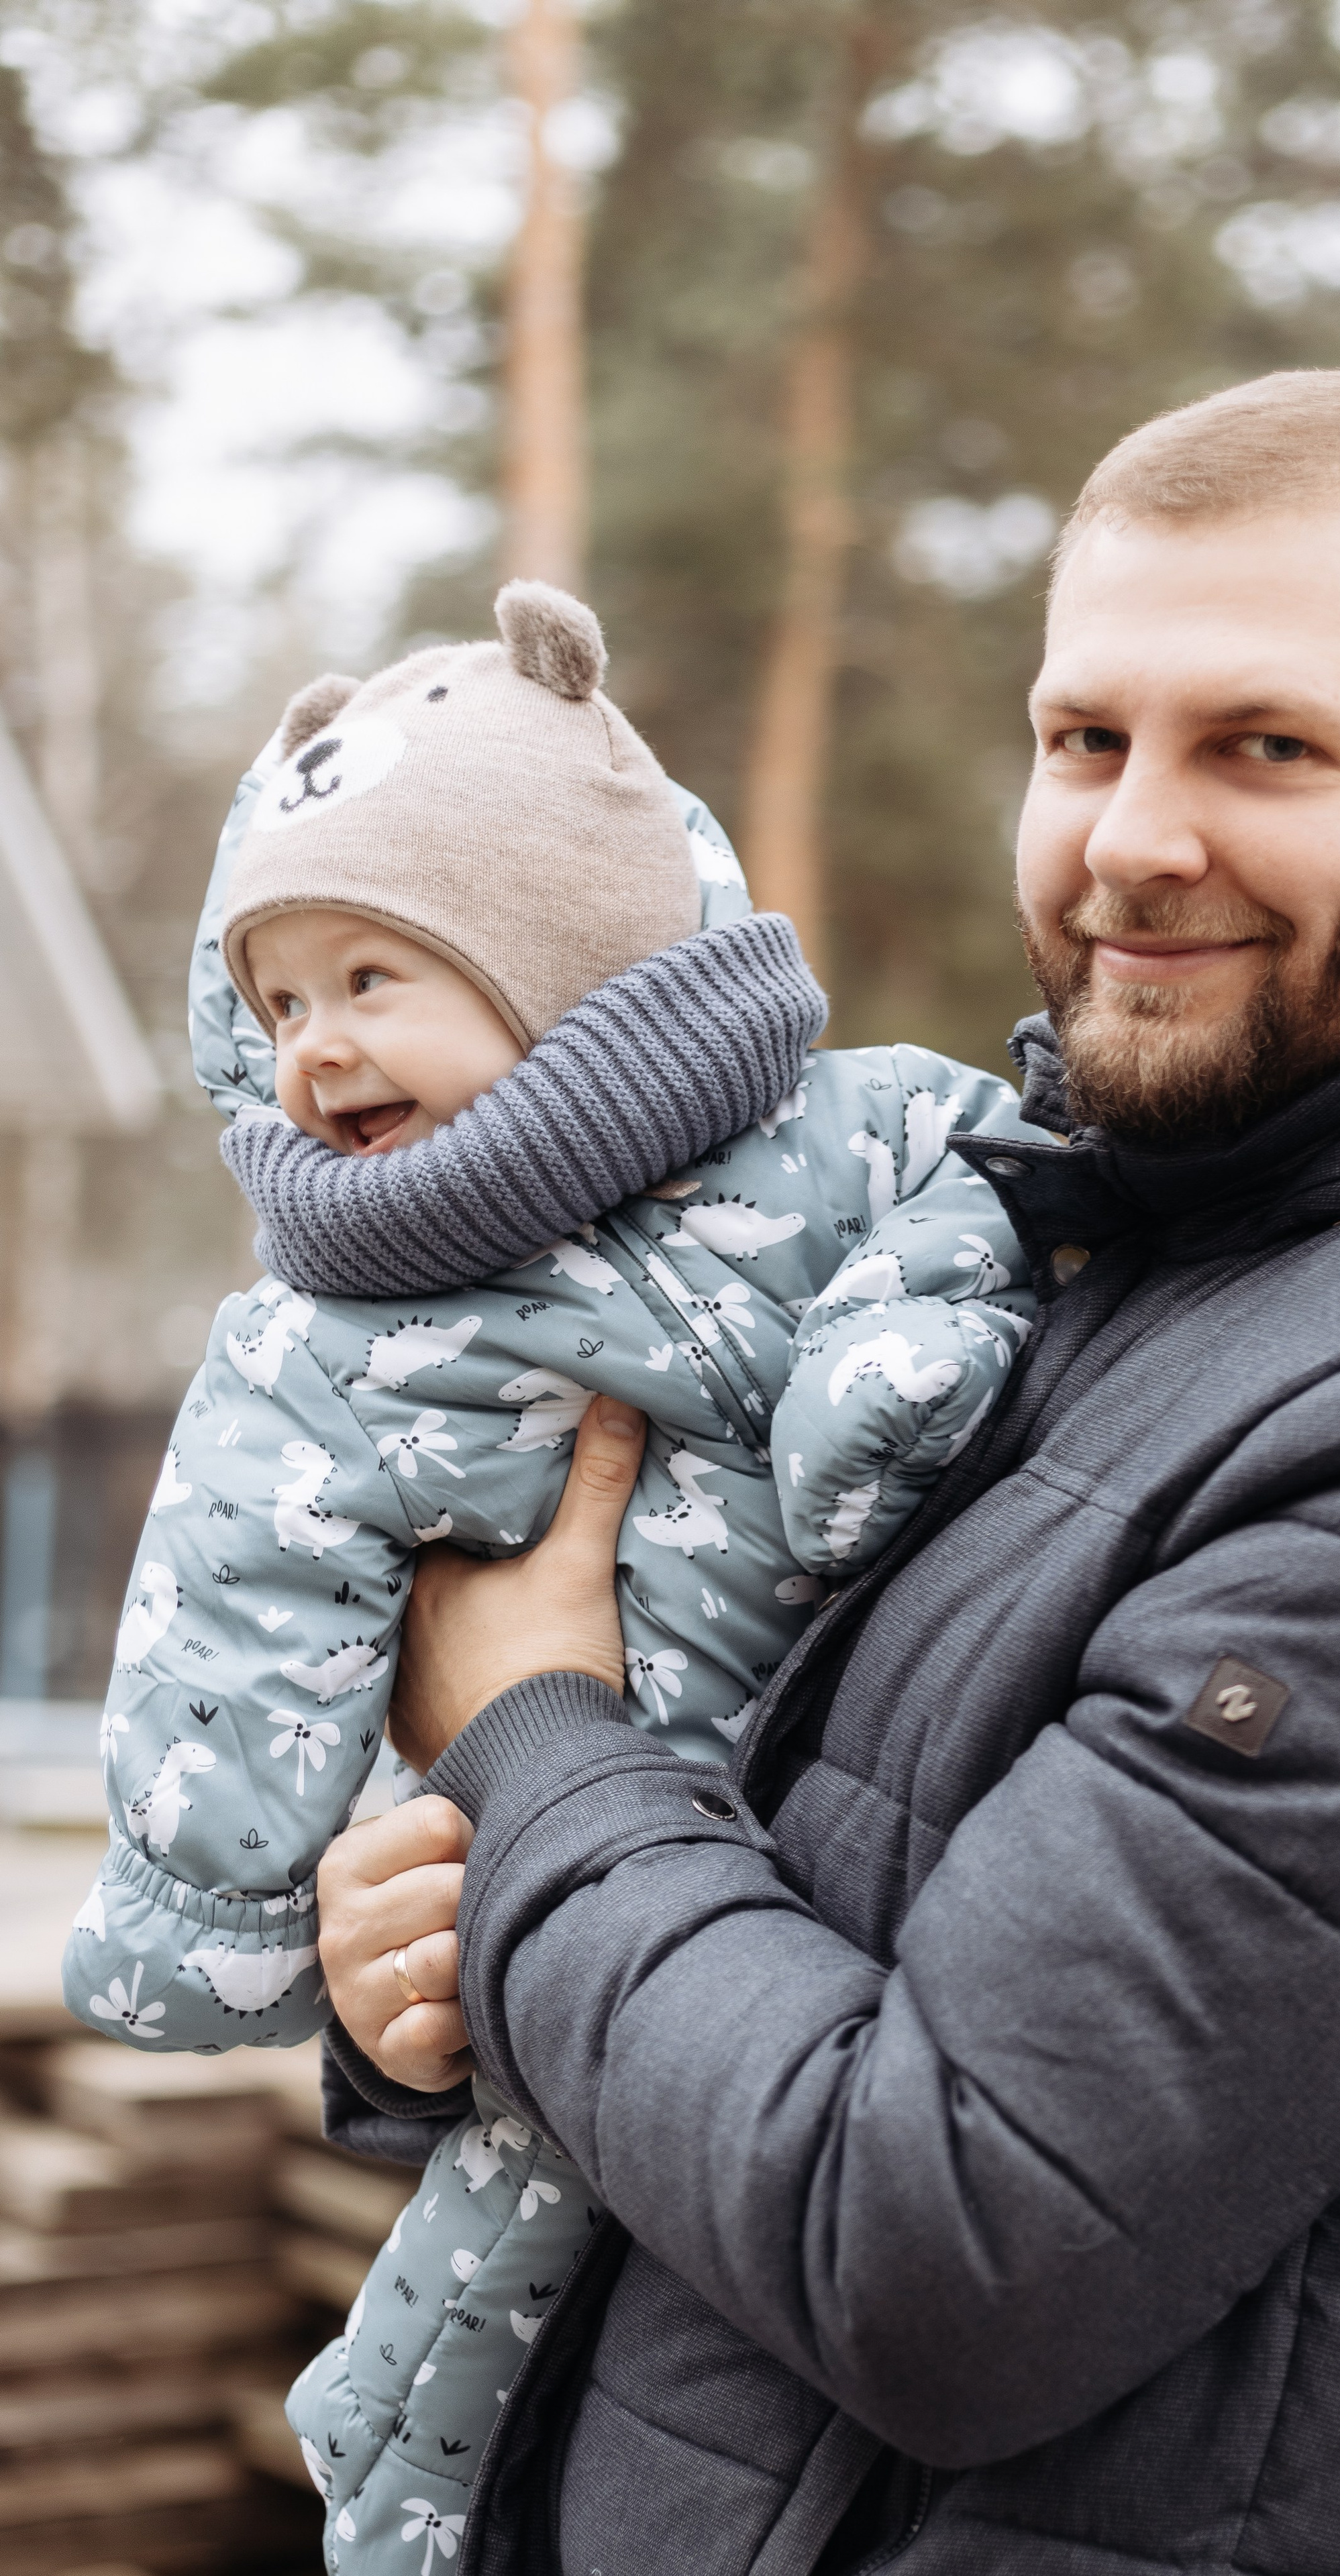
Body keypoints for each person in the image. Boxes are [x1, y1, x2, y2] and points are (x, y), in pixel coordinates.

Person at [314, 370, 1340, 2576]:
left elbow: (942, 2238)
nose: (1134, 837)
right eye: (1086, 739)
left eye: (1268, 746)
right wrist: (461, 1958)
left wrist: (535, 1748)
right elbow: (813, 1921)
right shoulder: (1115, 1242)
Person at [62, 578, 1038, 2571]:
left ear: (573, 958)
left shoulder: (846, 1137)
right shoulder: (331, 1329)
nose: (317, 1050)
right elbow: (233, 1603)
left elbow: (980, 1194)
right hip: (571, 1885)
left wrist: (884, 1386)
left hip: (876, 1910)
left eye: (372, 977)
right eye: (277, 1004)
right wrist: (216, 1907)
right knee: (491, 2266)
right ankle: (393, 2485)